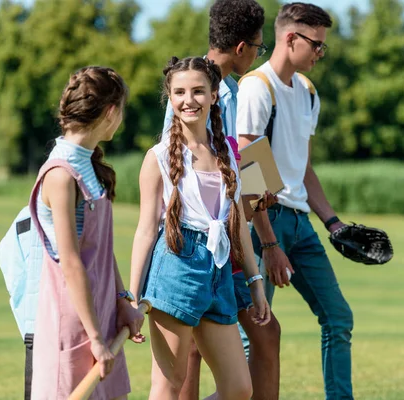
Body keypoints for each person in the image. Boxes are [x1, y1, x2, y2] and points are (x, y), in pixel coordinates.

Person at [130, 56, 271, 400]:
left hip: (219, 273)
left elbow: (236, 226)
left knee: (239, 388)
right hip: (176, 270)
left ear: (213, 95)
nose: (188, 100)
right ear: (170, 98)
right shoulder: (158, 157)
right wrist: (132, 297)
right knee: (169, 385)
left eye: (197, 91)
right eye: (179, 92)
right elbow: (146, 229)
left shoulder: (228, 154)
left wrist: (255, 282)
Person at [160, 1, 281, 399]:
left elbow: (235, 161)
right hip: (193, 247)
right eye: (260, 48)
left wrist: (256, 189)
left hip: (227, 240)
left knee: (254, 341)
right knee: (190, 358)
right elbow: (177, 172)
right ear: (242, 46)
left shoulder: (228, 90)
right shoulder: (196, 91)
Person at [236, 3, 355, 399]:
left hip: (302, 225)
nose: (321, 53)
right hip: (261, 225)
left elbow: (302, 169)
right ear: (291, 39)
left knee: (338, 318)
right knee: (256, 332)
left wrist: (333, 222)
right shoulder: (257, 86)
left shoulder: (307, 91)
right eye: (317, 46)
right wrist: (269, 244)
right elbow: (251, 166)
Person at [30, 66, 145, 399]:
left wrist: (122, 300)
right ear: (111, 112)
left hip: (102, 313)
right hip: (74, 322)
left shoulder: (88, 165)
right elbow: (70, 261)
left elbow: (101, 250)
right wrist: (94, 336)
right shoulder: (60, 174)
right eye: (121, 110)